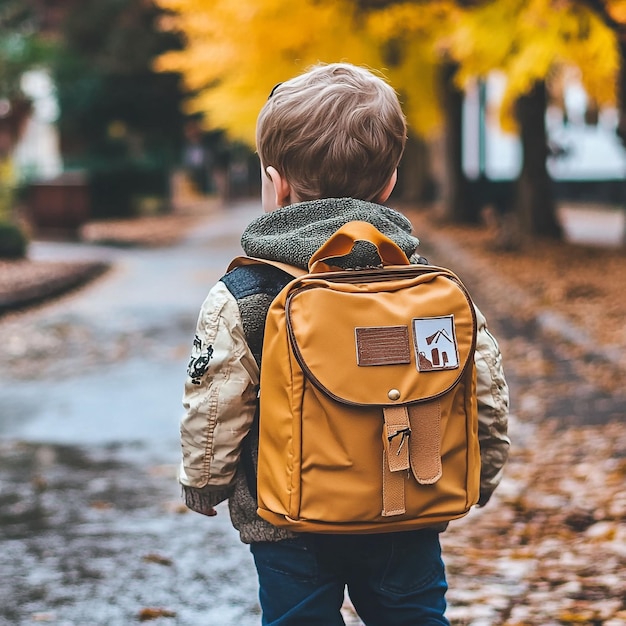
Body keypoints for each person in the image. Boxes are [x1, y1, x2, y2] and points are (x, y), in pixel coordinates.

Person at [179, 62, 510, 626]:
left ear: (276, 184)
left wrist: (204, 482)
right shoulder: (427, 288)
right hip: (406, 502)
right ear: (390, 185)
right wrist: (485, 469)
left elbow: (215, 397)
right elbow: (482, 383)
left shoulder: (246, 291)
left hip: (287, 519)